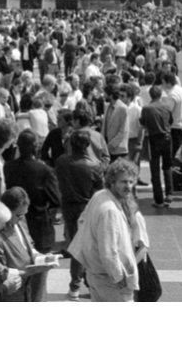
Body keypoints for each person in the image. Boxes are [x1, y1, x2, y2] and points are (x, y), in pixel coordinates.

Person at [67, 159, 148, 302]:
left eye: (131, 181)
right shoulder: (110, 210)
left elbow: (82, 223)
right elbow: (108, 251)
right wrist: (118, 277)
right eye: (123, 182)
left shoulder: (99, 196)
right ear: (112, 182)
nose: (128, 186)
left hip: (96, 274)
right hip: (109, 279)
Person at [55, 129, 104, 301]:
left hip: (68, 207)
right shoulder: (95, 166)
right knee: (84, 246)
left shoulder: (61, 161)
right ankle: (80, 284)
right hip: (86, 207)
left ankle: (78, 284)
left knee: (77, 244)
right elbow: (101, 189)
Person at [3, 130, 61, 255]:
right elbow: (56, 199)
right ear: (36, 147)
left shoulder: (8, 167)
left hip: (15, 223)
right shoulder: (45, 170)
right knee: (41, 267)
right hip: (39, 225)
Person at [0, 187, 50, 302]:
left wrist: (41, 257)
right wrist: (27, 272)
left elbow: (28, 245)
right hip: (12, 291)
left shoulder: (20, 219)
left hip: (28, 287)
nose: (21, 218)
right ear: (6, 210)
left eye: (24, 214)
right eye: (18, 215)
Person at [139, 85, 173, 206]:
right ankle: (169, 193)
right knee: (167, 166)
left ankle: (158, 199)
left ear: (150, 95)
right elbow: (170, 121)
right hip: (167, 138)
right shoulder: (167, 107)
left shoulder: (147, 108)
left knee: (155, 169)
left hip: (154, 139)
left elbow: (142, 122)